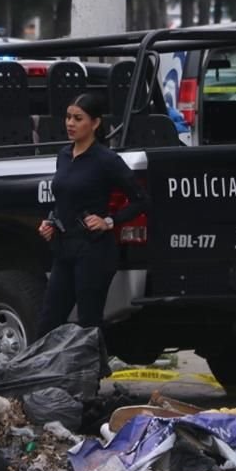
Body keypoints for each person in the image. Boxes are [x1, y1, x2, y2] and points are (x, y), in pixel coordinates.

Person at [37, 93, 148, 335]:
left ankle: (91, 372)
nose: (70, 123)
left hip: (94, 250)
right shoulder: (63, 155)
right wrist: (50, 222)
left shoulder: (106, 159)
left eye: (78, 118)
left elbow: (141, 200)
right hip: (64, 248)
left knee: (89, 321)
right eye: (68, 117)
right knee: (49, 317)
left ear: (95, 123)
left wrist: (109, 221)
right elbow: (64, 199)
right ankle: (40, 370)